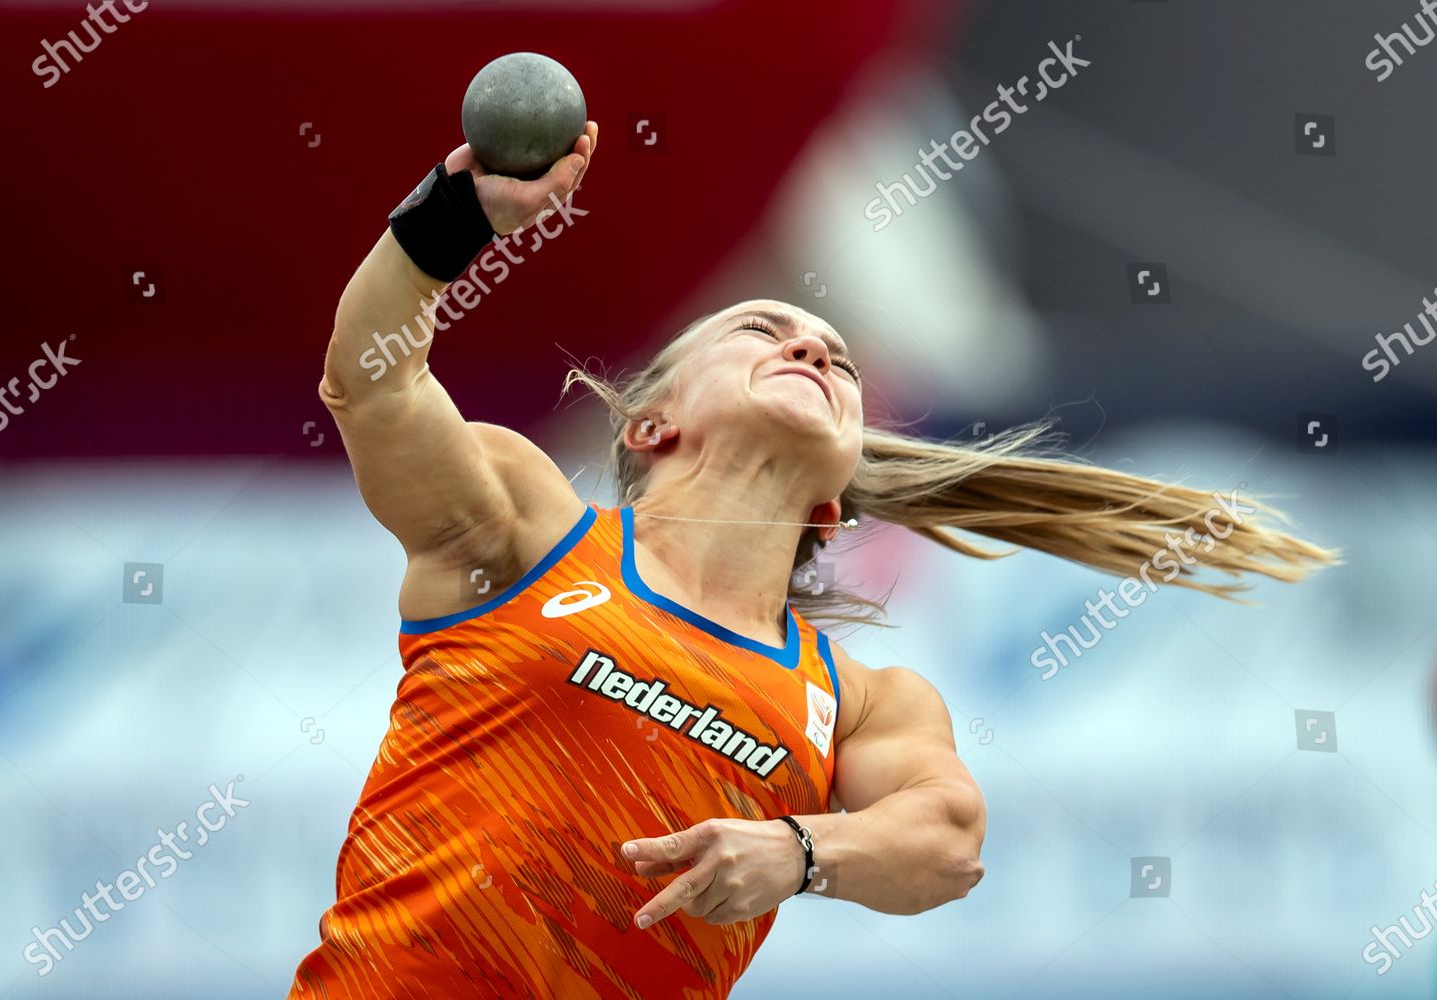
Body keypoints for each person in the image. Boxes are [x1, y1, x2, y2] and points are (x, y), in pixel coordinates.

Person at [288, 122, 1337, 999]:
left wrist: (795, 853)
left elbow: (947, 841)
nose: (810, 350)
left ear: (834, 494)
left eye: (834, 355)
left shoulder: (860, 700)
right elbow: (375, 385)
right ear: (651, 424)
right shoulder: (524, 531)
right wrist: (450, 222)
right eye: (762, 328)